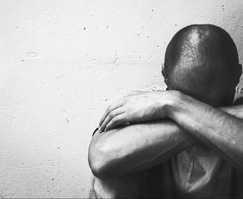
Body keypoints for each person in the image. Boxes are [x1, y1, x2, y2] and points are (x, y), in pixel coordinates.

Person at [88, 24, 243, 198]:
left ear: (238, 74)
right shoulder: (145, 104)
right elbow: (101, 158)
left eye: (211, 104)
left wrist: (180, 105)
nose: (194, 108)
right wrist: (174, 104)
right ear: (164, 75)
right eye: (184, 96)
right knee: (109, 182)